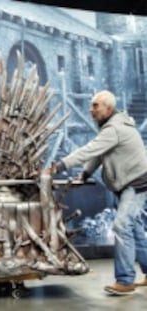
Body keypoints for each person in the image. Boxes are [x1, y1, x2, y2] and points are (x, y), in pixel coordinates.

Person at [43, 90, 147, 296]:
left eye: (95, 106)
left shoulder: (114, 129)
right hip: (125, 184)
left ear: (108, 108)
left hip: (135, 184)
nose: (91, 110)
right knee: (134, 229)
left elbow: (89, 150)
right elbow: (100, 153)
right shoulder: (111, 128)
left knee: (121, 225)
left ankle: (125, 281)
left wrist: (58, 166)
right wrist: (85, 174)